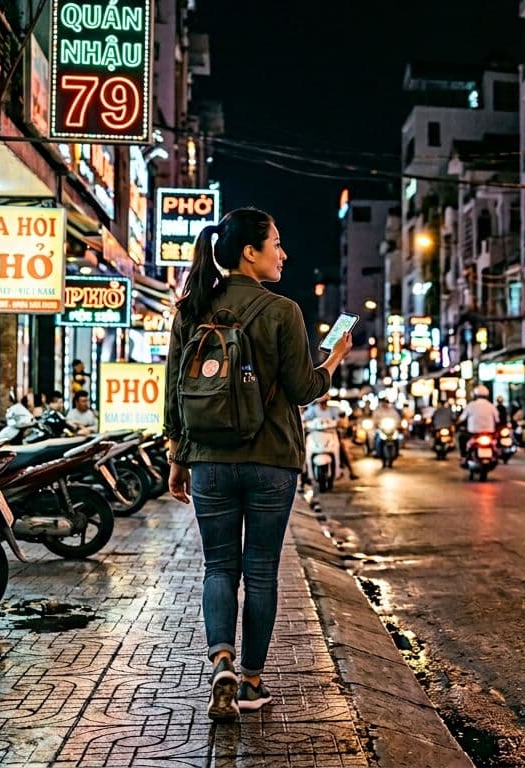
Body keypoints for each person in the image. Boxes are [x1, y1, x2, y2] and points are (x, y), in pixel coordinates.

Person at [163, 207, 352, 721]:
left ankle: (219, 657)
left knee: (218, 566)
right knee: (261, 570)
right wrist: (333, 356)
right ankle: (249, 683)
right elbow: (304, 389)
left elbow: (175, 391)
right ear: (251, 250)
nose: (284, 253)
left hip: (208, 461)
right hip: (272, 461)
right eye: (276, 242)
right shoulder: (282, 311)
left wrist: (177, 456)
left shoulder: (192, 307)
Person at [303, 397, 357, 481]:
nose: (323, 404)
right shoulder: (312, 410)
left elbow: (342, 420)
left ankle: (351, 471)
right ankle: (304, 473)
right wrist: (305, 423)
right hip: (315, 435)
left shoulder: (334, 409)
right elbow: (304, 419)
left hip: (332, 434)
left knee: (342, 447)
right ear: (317, 402)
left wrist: (341, 423)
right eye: (321, 403)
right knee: (303, 449)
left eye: (325, 402)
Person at [458, 385, 498, 457]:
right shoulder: (491, 406)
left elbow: (461, 419)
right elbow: (498, 420)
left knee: (461, 437)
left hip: (473, 433)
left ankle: (463, 457)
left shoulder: (471, 405)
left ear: (475, 395)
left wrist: (457, 424)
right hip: (489, 433)